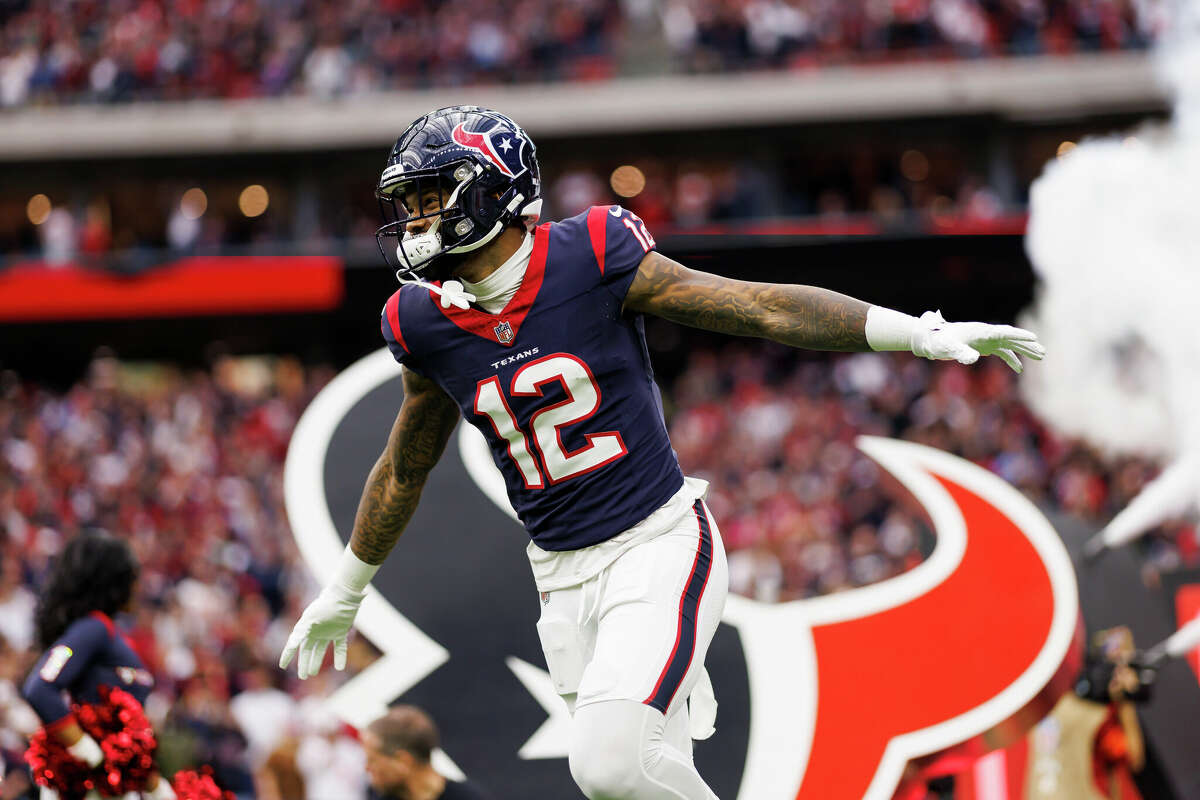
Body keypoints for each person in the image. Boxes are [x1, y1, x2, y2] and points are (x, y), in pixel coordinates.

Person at [279, 105, 1045, 800]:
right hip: (559, 578)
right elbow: (405, 466)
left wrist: (917, 330)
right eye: (408, 203)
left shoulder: (591, 254)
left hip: (656, 542)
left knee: (608, 765)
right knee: (634, 777)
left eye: (430, 196)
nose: (415, 220)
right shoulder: (423, 322)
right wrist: (346, 591)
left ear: (494, 190)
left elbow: (761, 305)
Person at [22, 531, 176, 800]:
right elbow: (39, 687)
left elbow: (121, 731)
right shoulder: (93, 628)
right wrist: (89, 753)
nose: (138, 588)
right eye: (132, 578)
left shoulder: (113, 634)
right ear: (113, 583)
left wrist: (152, 785)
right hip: (86, 788)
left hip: (114, 787)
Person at [362, 706, 491, 800]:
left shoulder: (467, 797)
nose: (367, 768)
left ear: (404, 760)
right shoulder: (375, 794)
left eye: (372, 760)